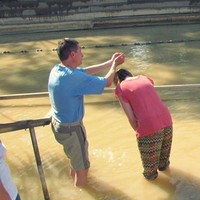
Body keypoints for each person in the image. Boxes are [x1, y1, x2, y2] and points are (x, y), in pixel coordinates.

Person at [48, 38, 125, 187]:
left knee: (75, 162)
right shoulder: (72, 77)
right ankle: (80, 193)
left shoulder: (58, 69)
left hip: (59, 126)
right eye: (80, 51)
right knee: (83, 168)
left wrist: (109, 62)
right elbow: (107, 82)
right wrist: (115, 66)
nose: (82, 55)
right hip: (72, 130)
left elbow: (85, 71)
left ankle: (72, 186)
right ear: (72, 54)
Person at [114, 68, 173, 180]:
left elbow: (131, 118)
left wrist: (140, 132)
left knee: (150, 172)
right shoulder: (144, 78)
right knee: (163, 164)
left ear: (118, 81)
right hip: (166, 120)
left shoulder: (120, 88)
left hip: (149, 125)